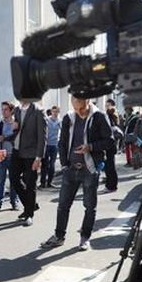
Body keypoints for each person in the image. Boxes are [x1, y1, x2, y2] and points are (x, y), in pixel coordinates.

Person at [40, 95, 114, 251]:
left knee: (89, 206)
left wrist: (91, 147)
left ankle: (85, 238)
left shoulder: (99, 117)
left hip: (90, 169)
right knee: (63, 205)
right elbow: (63, 142)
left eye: (81, 108)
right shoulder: (69, 117)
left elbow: (110, 141)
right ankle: (59, 236)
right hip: (71, 168)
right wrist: (65, 165)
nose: (78, 111)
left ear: (88, 102)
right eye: (75, 107)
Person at [10, 99, 45, 225]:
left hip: (31, 153)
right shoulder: (18, 109)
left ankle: (29, 214)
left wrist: (39, 157)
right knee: (13, 178)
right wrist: (15, 126)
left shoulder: (38, 111)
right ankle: (30, 204)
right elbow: (18, 129)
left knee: (30, 184)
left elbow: (42, 136)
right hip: (17, 150)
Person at [0, 100, 20, 212]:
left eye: (6, 109)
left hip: (13, 155)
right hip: (0, 154)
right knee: (0, 181)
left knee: (14, 180)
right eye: (2, 109)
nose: (3, 112)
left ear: (11, 111)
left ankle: (14, 202)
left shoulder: (16, 125)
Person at [101, 99, 120, 192]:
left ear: (112, 105)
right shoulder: (111, 114)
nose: (106, 106)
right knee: (109, 165)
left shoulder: (111, 114)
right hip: (111, 144)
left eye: (108, 105)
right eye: (106, 105)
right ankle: (111, 184)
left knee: (110, 165)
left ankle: (111, 186)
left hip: (110, 144)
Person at [40, 105, 61, 189]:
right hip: (46, 144)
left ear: (58, 112)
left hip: (54, 145)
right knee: (44, 164)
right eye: (54, 112)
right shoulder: (47, 120)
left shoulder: (59, 121)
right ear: (51, 112)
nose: (55, 113)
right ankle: (42, 183)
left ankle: (49, 182)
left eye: (56, 112)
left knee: (52, 165)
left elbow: (63, 131)